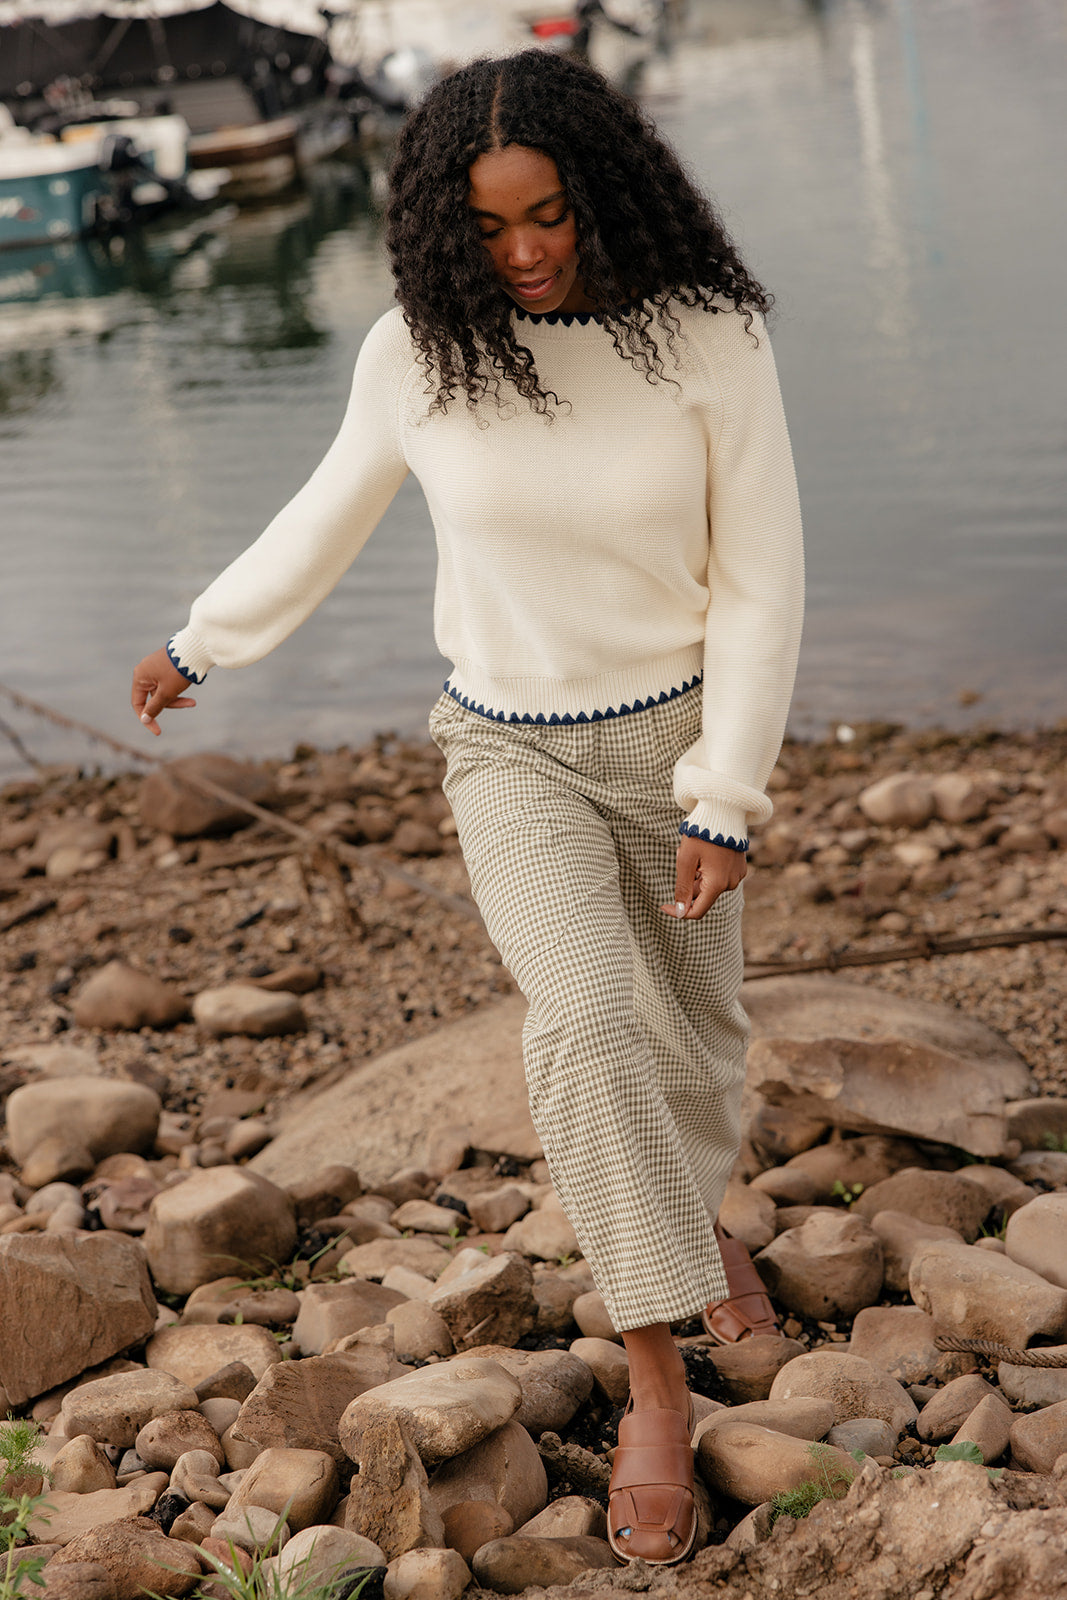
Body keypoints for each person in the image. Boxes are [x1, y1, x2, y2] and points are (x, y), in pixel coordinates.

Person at [131, 47, 803, 1566]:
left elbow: (764, 580)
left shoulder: (708, 333)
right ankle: (653, 1377)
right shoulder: (418, 353)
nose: (526, 253)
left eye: (550, 215)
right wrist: (204, 640)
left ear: (603, 193)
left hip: (679, 743)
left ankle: (695, 1213)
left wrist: (727, 794)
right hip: (512, 752)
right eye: (491, 228)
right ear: (447, 227)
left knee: (697, 1040)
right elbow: (327, 511)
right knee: (588, 1025)